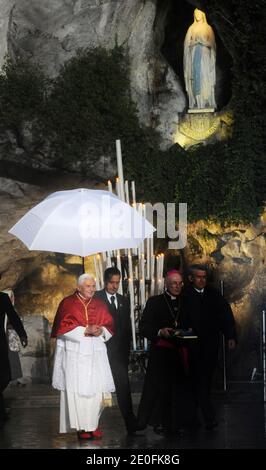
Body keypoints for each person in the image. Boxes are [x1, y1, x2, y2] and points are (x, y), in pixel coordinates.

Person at [51, 273, 115, 440]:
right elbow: (62, 327)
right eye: (88, 286)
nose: (92, 289)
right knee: (78, 391)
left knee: (95, 390)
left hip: (95, 353)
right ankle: (81, 428)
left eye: (93, 286)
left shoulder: (100, 304)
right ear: (79, 287)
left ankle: (93, 425)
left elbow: (109, 325)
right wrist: (84, 330)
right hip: (75, 354)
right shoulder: (67, 303)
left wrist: (102, 331)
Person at [137, 270, 197, 436]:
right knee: (161, 391)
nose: (177, 287)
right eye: (173, 284)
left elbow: (195, 329)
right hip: (161, 354)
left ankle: (178, 423)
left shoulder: (187, 302)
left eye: (180, 283)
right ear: (166, 285)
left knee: (179, 390)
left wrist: (184, 334)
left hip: (180, 353)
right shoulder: (155, 302)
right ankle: (161, 423)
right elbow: (144, 327)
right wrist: (159, 331)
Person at [181, 264, 237, 429]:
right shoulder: (184, 296)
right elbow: (179, 323)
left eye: (204, 277)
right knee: (197, 381)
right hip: (191, 347)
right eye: (198, 277)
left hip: (210, 345)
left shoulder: (214, 295)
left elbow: (226, 315)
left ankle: (195, 418)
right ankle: (208, 416)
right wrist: (186, 340)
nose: (202, 280)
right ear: (191, 278)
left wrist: (231, 336)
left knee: (205, 381)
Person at [94, 267, 140, 435]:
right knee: (96, 388)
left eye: (117, 282)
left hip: (119, 353)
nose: (115, 286)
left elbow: (127, 327)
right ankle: (90, 425)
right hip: (100, 351)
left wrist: (126, 351)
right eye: (112, 282)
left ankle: (130, 423)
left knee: (123, 386)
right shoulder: (96, 298)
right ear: (105, 281)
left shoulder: (123, 300)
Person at [0, 290, 27, 428]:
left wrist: (22, 334)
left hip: (0, 345)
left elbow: (13, 316)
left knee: (5, 377)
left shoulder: (3, 298)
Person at [184, 8, 216, 109]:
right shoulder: (191, 28)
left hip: (205, 56)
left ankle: (206, 101)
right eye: (196, 13)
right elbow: (186, 44)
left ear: (203, 14)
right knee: (195, 76)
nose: (197, 14)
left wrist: (203, 42)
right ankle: (197, 102)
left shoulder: (208, 28)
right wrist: (193, 43)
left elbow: (212, 43)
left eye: (199, 12)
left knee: (205, 76)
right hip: (194, 55)